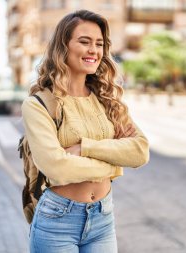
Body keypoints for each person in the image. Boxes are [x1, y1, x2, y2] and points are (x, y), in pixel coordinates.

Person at [21, 9, 149, 253]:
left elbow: (140, 151)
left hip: (103, 218)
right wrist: (115, 164)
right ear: (63, 46)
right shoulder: (39, 104)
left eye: (99, 44)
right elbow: (57, 167)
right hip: (57, 222)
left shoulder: (107, 100)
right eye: (84, 41)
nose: (94, 50)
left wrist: (85, 148)